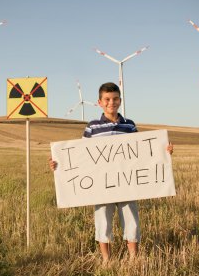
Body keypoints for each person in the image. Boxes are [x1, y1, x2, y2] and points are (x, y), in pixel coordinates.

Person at [49, 82, 173, 263]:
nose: (111, 103)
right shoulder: (92, 127)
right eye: (107, 99)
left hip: (128, 183)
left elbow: (144, 153)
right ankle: (106, 260)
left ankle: (133, 258)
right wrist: (58, 163)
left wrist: (164, 151)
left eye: (115, 99)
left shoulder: (129, 126)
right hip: (101, 186)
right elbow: (80, 155)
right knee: (103, 222)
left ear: (120, 101)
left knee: (131, 221)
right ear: (99, 102)